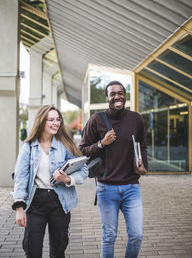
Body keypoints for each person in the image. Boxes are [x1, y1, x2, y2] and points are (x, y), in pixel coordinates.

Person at [79, 81, 148, 258]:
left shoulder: (136, 119)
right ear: (107, 98)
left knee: (137, 236)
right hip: (106, 188)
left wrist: (143, 166)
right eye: (113, 94)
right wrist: (102, 143)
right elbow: (82, 149)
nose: (117, 97)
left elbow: (143, 146)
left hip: (132, 187)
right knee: (109, 236)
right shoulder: (97, 119)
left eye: (120, 93)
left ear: (125, 95)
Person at [12, 105, 88, 258]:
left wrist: (66, 178)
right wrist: (19, 208)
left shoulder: (65, 145)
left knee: (58, 251)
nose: (56, 123)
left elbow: (84, 170)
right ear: (41, 122)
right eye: (51, 119)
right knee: (32, 250)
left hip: (59, 202)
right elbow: (21, 177)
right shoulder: (29, 147)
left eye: (58, 119)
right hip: (35, 202)